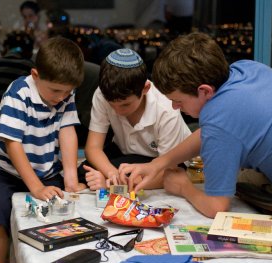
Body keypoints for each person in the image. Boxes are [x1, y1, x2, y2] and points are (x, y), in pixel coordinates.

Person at [119, 32, 272, 219]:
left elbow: (217, 207)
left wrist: (183, 187)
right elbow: (212, 132)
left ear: (204, 91)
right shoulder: (245, 69)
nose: (174, 107)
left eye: (178, 101)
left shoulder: (219, 120)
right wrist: (158, 163)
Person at [0, 37, 87, 263]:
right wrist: (35, 186)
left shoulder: (64, 93)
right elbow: (12, 143)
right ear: (35, 75)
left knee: (72, 195)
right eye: (56, 90)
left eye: (68, 92)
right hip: (2, 170)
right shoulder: (18, 93)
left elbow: (67, 131)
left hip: (45, 170)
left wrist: (71, 179)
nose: (62, 97)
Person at [81, 48, 191, 190]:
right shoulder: (102, 94)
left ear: (145, 89)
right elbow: (93, 148)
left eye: (125, 104)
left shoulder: (166, 109)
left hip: (162, 160)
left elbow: (168, 170)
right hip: (126, 152)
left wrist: (114, 185)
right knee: (84, 172)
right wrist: (112, 174)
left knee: (170, 176)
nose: (117, 111)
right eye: (111, 104)